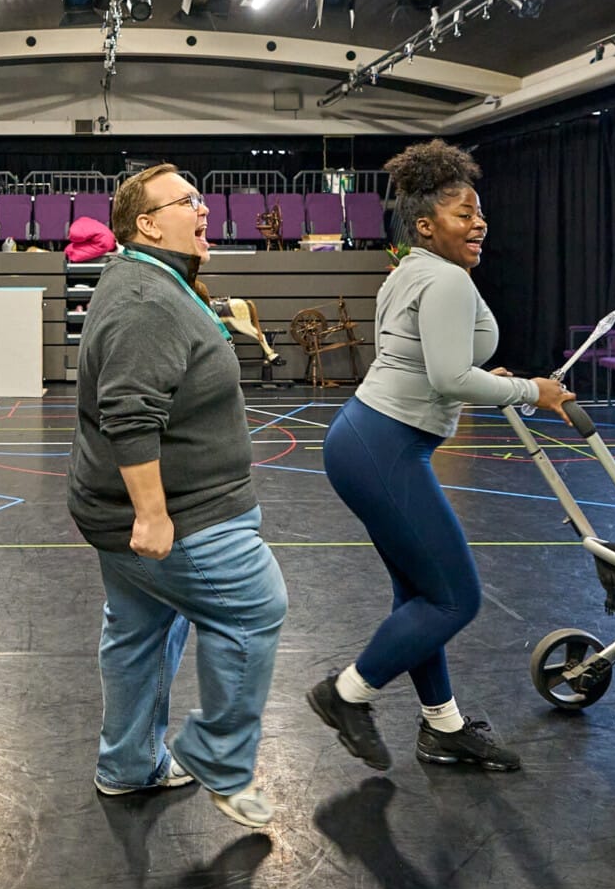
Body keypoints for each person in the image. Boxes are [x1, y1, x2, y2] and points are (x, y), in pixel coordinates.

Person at [308, 140, 573, 775]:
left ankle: (443, 727)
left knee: (421, 597)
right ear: (426, 224)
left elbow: (426, 361)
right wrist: (530, 392)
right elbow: (450, 377)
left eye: (480, 212)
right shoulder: (447, 279)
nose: (479, 223)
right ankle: (346, 695)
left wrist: (487, 372)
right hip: (386, 445)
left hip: (366, 438)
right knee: (456, 599)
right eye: (463, 213)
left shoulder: (409, 270)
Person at [68, 164, 287, 829]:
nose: (204, 208)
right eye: (187, 200)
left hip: (149, 512)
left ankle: (129, 764)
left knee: (139, 631)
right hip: (181, 516)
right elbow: (129, 413)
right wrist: (153, 513)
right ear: (146, 222)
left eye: (202, 197)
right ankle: (221, 759)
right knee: (255, 606)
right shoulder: (145, 299)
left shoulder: (158, 282)